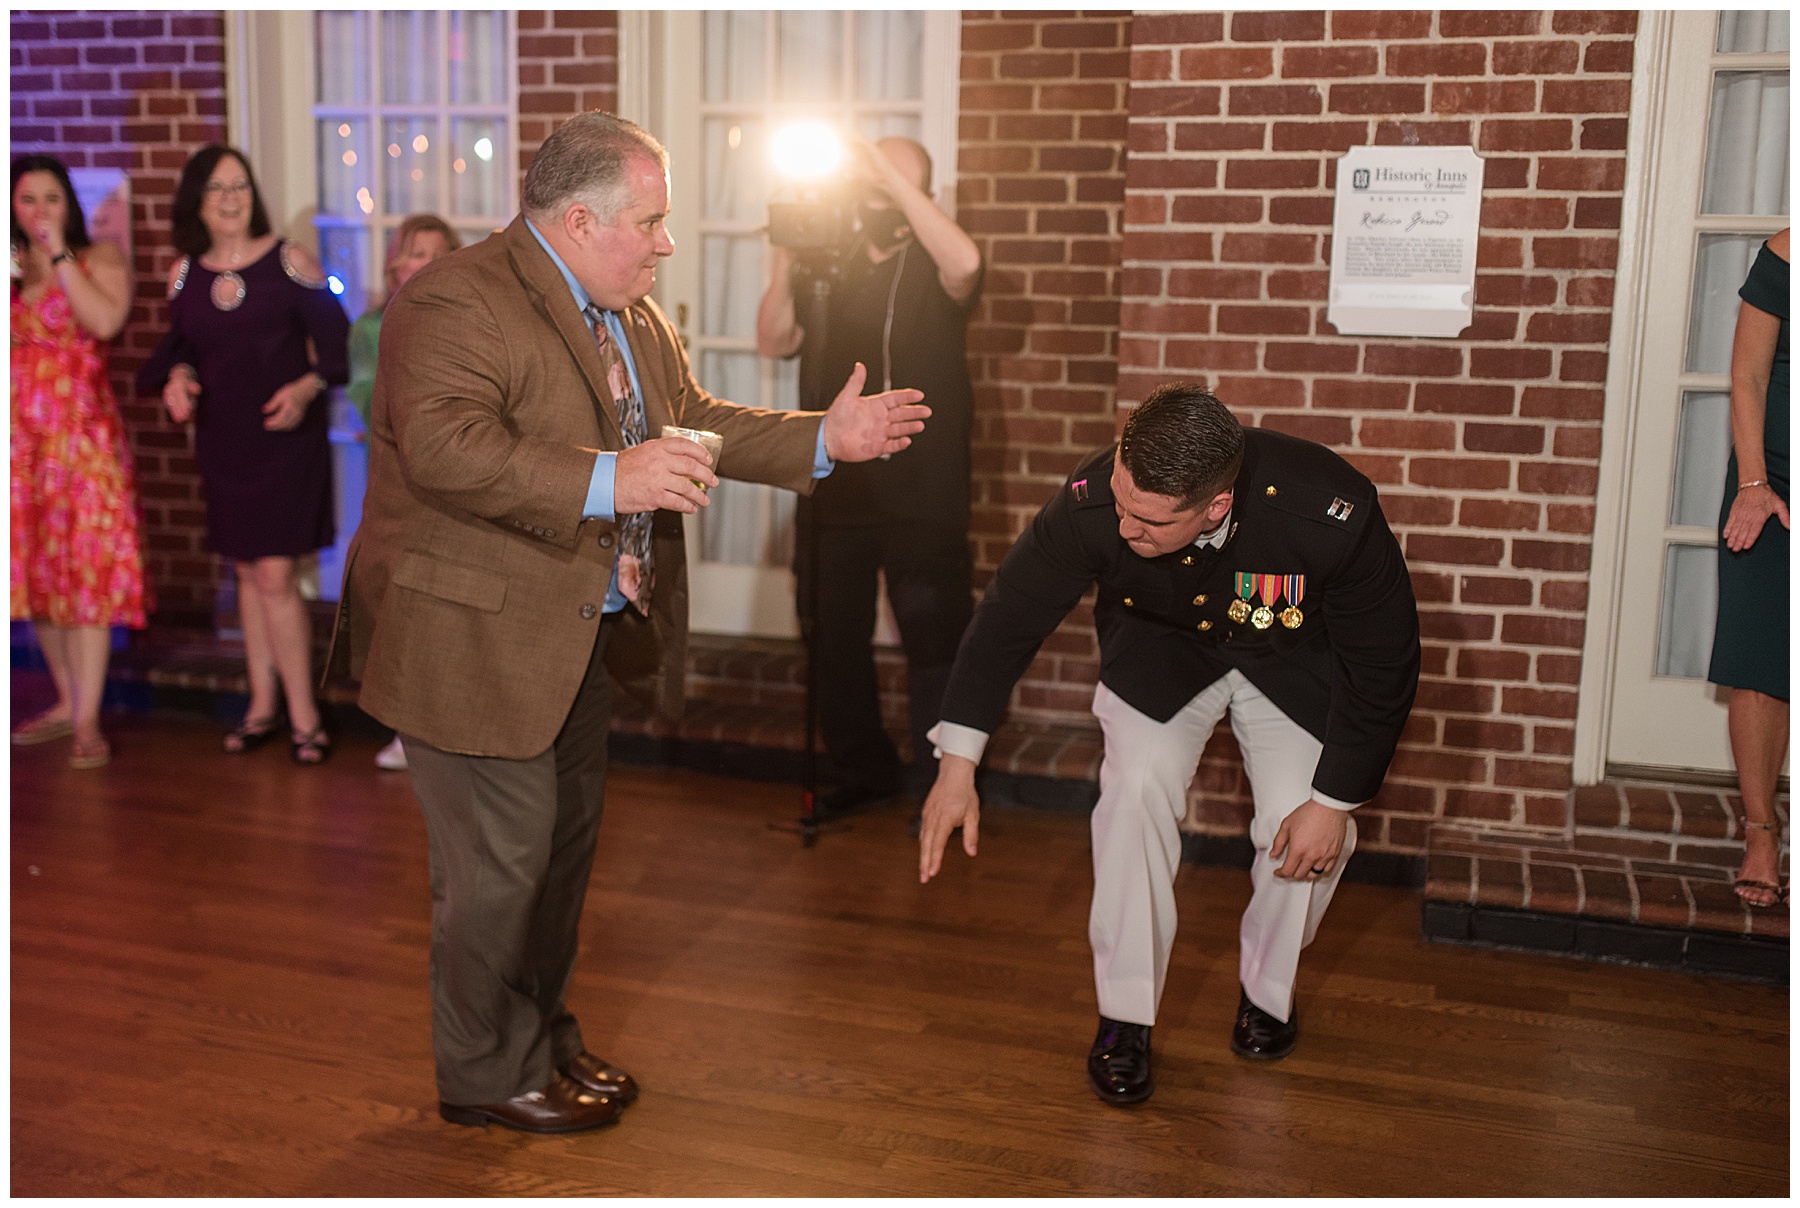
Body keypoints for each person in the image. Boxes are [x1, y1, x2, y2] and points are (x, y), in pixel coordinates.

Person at [327, 111, 930, 1135]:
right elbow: (446, 448)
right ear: (576, 218)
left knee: (554, 867)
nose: (665, 242)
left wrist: (822, 435)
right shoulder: (454, 300)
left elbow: (690, 415)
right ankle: (482, 1071)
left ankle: (542, 1040)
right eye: (649, 221)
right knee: (497, 875)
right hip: (471, 642)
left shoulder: (630, 311)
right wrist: (613, 476)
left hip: (578, 638)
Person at [918, 384, 1420, 1105]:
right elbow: (1010, 615)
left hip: (1290, 664)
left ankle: (1268, 990)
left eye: (1147, 521)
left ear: (1215, 506)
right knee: (1132, 796)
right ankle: (1126, 1016)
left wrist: (1333, 802)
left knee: (1302, 826)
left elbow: (1386, 660)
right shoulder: (1098, 498)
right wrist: (957, 763)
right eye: (1120, 504)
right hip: (1157, 653)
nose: (1122, 528)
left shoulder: (1329, 509)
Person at [755, 136, 983, 815]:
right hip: (836, 481)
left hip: (923, 486)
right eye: (869, 181)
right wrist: (787, 250)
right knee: (828, 630)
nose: (876, 193)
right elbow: (775, 338)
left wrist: (892, 180)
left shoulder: (937, 259)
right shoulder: (833, 257)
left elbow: (966, 263)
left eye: (892, 184)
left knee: (934, 635)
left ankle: (939, 784)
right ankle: (863, 768)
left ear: (922, 195)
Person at [137, 145, 350, 765]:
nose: (231, 198)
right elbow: (182, 347)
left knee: (277, 575)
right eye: (217, 188)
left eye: (240, 186)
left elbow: (337, 350)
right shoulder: (184, 275)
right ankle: (262, 707)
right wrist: (178, 377)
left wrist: (307, 386)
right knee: (248, 575)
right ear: (196, 203)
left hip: (284, 440)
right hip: (224, 441)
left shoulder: (289, 261)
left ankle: (307, 719)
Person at [10, 154, 147, 769]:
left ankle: (89, 718)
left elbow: (105, 319)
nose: (39, 212)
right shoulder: (10, 270)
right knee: (38, 579)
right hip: (21, 450)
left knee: (86, 575)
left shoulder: (100, 260)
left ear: (69, 205)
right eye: (27, 200)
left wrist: (61, 253)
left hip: (83, 444)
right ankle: (65, 702)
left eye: (51, 199)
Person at [345, 214, 464, 773]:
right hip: (398, 486)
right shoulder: (372, 327)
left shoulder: (466, 322)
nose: (424, 265)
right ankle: (406, 730)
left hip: (453, 489)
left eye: (436, 254)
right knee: (398, 606)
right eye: (414, 254)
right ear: (395, 264)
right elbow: (371, 400)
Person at [1710, 228, 1790, 908]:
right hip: (1774, 488)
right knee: (1762, 662)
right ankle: (1761, 829)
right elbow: (1749, 374)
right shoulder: (1788, 252)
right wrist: (1754, 484)